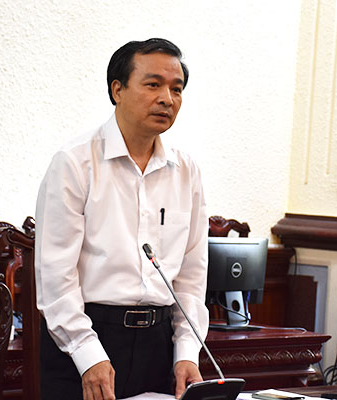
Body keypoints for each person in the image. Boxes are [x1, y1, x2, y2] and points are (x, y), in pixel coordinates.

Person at [35, 38, 209, 400]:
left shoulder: (186, 170)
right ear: (117, 90)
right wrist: (88, 355)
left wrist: (187, 352)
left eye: (176, 89)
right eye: (153, 85)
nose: (167, 99)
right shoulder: (75, 162)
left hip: (158, 347)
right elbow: (56, 278)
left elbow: (191, 276)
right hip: (86, 341)